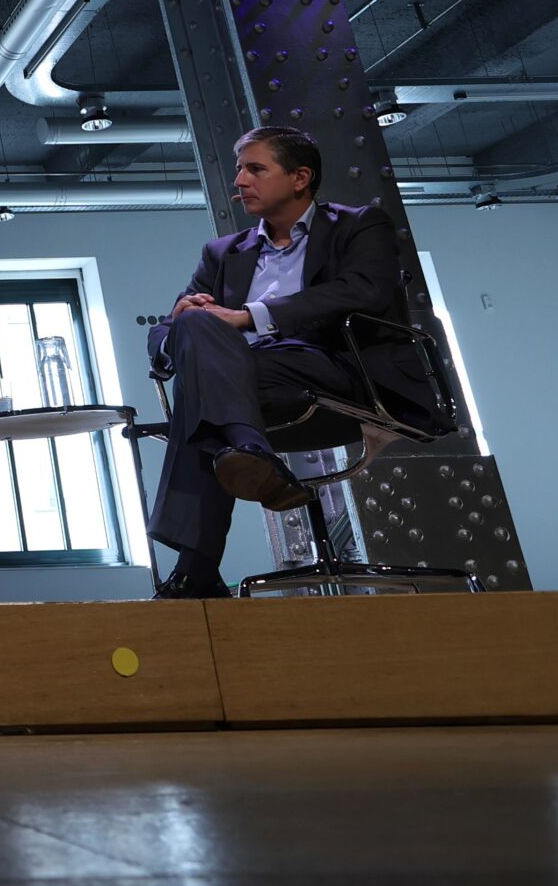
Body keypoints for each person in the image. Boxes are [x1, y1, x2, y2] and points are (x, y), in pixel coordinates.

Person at [148, 126, 433, 599]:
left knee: (201, 394)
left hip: (337, 373)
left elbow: (362, 290)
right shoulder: (222, 253)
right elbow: (168, 331)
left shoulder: (359, 225)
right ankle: (247, 449)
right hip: (250, 385)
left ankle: (196, 568)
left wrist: (247, 317)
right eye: (240, 169)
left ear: (300, 178)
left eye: (255, 169)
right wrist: (177, 326)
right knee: (200, 343)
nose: (239, 180)